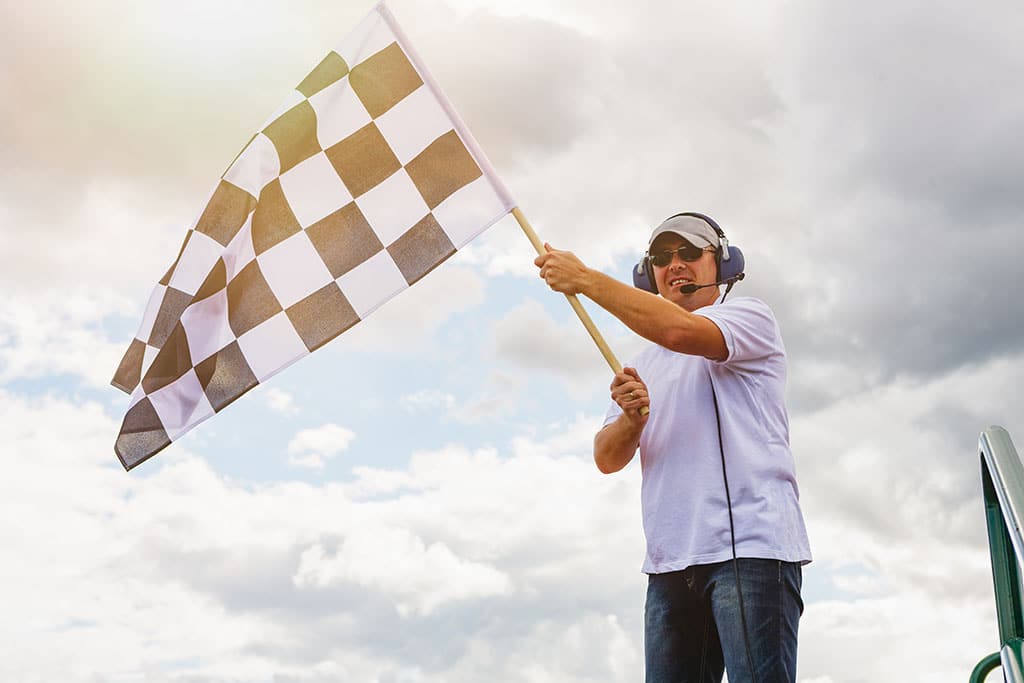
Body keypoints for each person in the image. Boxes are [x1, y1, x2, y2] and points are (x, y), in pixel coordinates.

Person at [534, 213, 811, 683]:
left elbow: (680, 332)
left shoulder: (749, 316)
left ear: (720, 263)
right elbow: (606, 458)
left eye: (689, 252)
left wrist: (585, 279)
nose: (675, 263)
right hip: (669, 564)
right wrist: (631, 420)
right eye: (662, 257)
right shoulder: (642, 360)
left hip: (750, 549)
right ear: (650, 274)